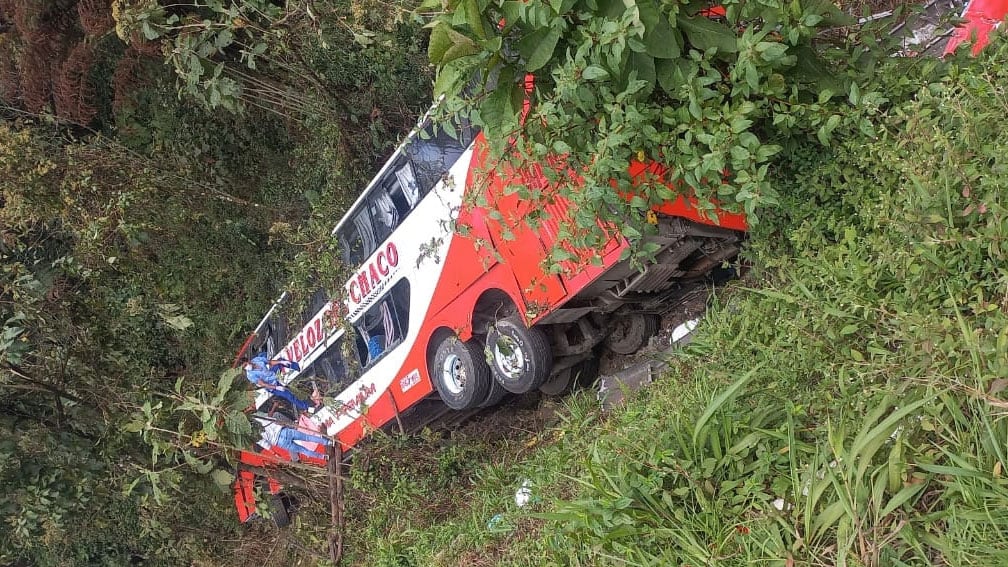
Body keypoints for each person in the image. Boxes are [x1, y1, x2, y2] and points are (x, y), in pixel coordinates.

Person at [242, 353, 311, 413]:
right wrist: (276, 387)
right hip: (271, 385)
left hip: (273, 374)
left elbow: (270, 362)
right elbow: (263, 384)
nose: (246, 367)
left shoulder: (257, 360)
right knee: (288, 395)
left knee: (281, 361)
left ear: (248, 361)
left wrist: (281, 362)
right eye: (244, 367)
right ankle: (305, 406)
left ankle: (299, 368)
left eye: (246, 365)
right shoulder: (250, 375)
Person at [257, 418, 331, 462]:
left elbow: (265, 444)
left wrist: (274, 453)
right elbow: (273, 420)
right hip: (283, 431)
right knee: (307, 437)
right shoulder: (257, 419)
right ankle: (328, 442)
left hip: (280, 442)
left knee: (303, 451)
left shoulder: (253, 435)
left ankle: (323, 457)